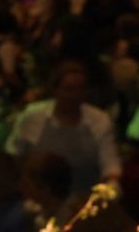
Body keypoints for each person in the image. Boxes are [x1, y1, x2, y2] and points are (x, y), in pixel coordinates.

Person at [7, 60, 124, 196]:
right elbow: (13, 157)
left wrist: (109, 191)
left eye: (80, 89)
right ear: (55, 90)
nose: (74, 95)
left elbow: (111, 167)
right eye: (69, 90)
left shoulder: (99, 120)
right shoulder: (33, 116)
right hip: (35, 198)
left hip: (83, 199)